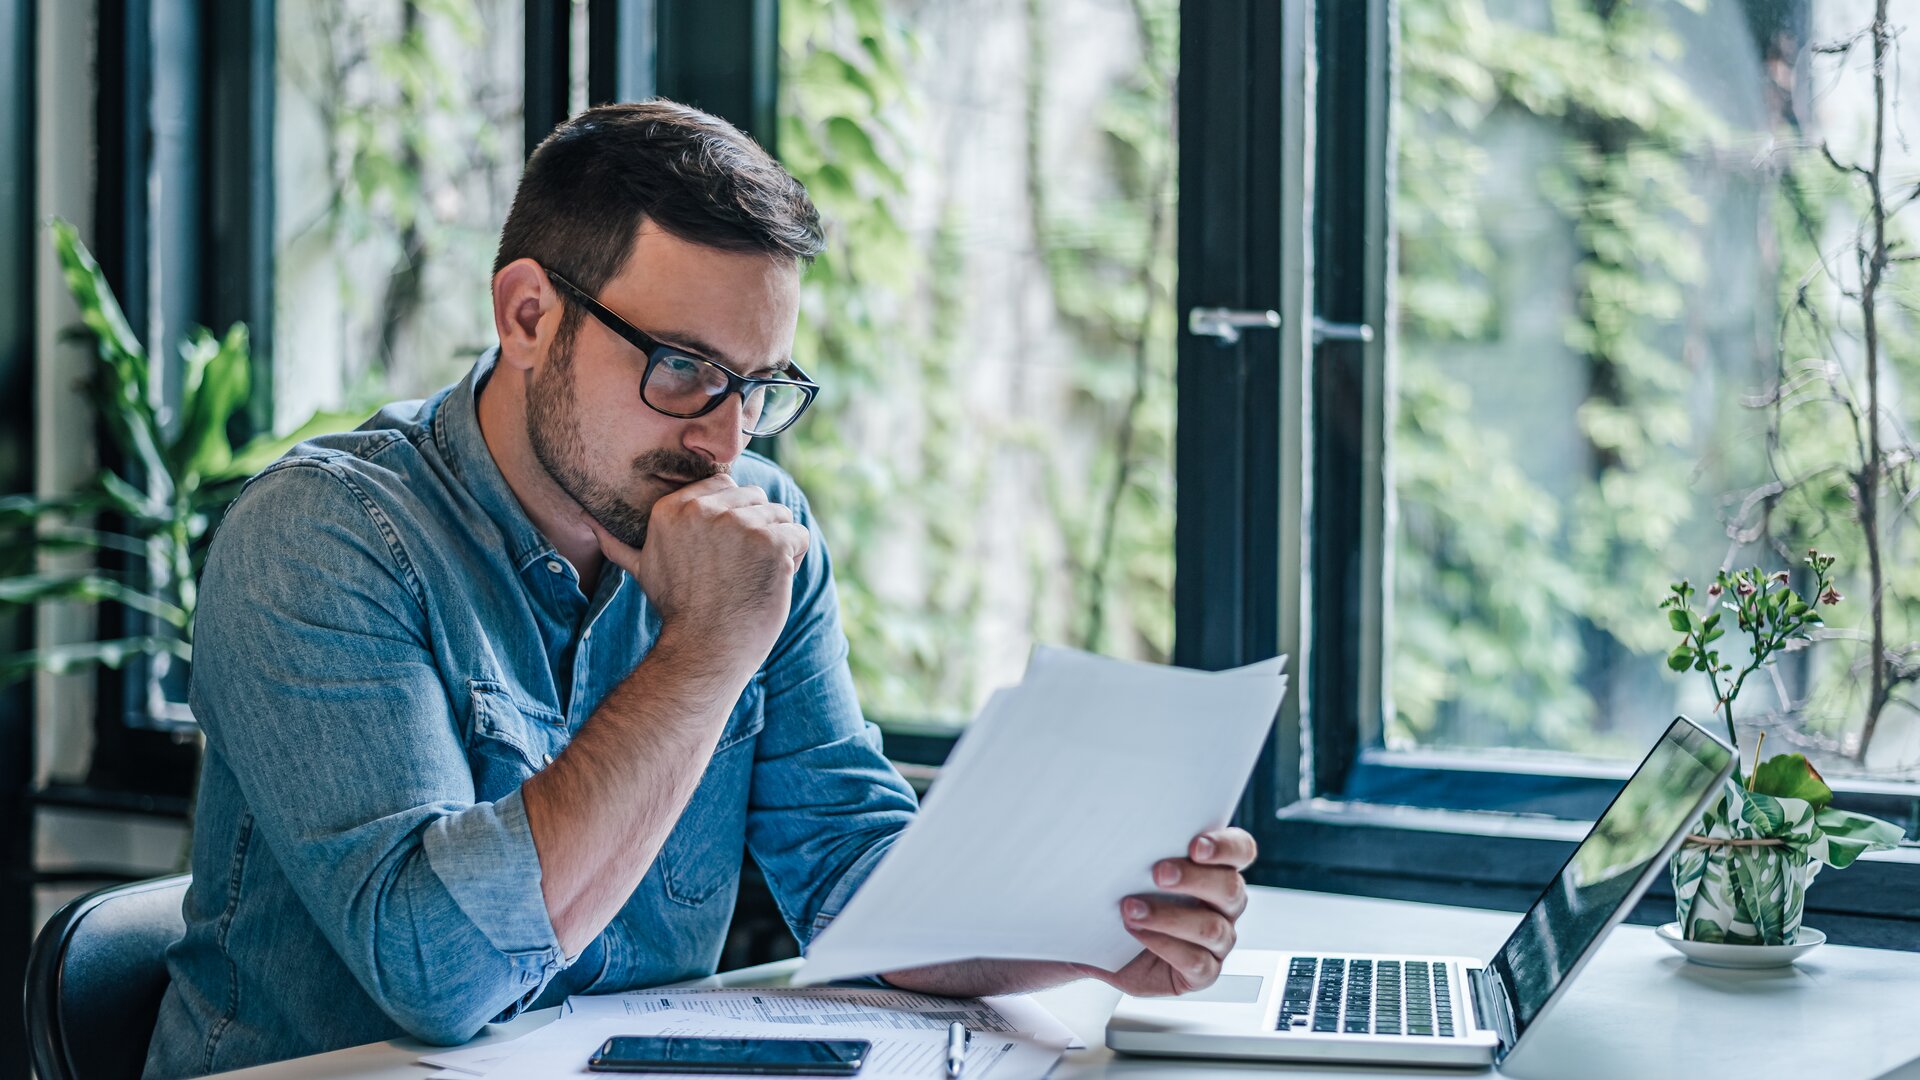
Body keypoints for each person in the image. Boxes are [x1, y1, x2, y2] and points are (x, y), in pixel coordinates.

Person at [143, 100, 1257, 1079]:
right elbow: (442, 974)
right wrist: (706, 648)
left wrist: (1100, 929)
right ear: (527, 316)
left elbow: (855, 881)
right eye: (682, 368)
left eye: (758, 387)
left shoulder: (759, 530)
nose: (723, 441)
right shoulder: (324, 537)